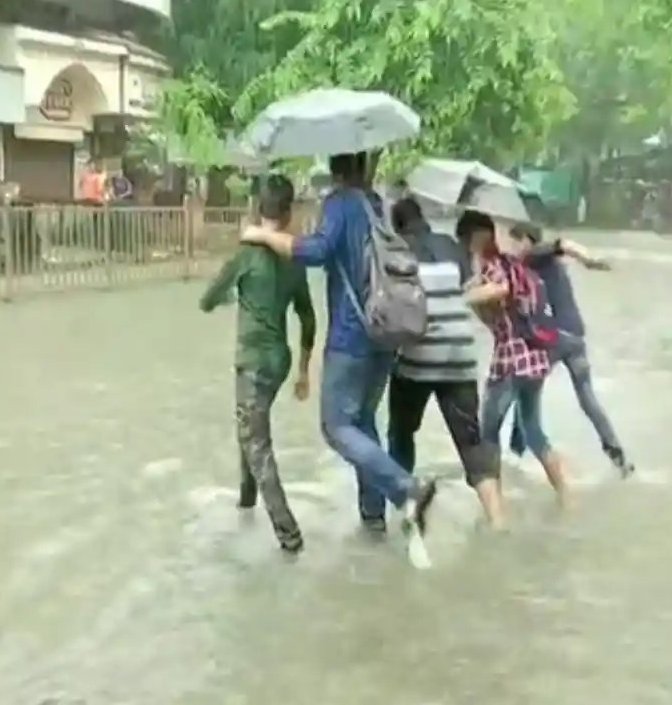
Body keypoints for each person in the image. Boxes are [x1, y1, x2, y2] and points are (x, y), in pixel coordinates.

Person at [240, 153, 438, 559]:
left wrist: (262, 237)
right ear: (366, 164)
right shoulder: (378, 203)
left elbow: (315, 251)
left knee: (336, 427)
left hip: (353, 335)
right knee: (363, 423)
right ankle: (373, 520)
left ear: (335, 168)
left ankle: (408, 489)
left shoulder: (341, 204)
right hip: (387, 332)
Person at [200, 175, 316, 554]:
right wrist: (302, 372)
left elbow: (206, 299)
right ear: (288, 213)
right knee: (249, 428)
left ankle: (289, 535)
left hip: (251, 360)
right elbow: (308, 318)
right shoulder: (293, 262)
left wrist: (233, 295)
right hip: (279, 361)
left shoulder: (245, 256)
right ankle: (246, 500)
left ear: (256, 209)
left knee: (256, 444)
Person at [388, 197, 506, 529]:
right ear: (423, 219)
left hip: (418, 359)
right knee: (471, 444)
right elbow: (469, 291)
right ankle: (499, 522)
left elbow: (395, 310)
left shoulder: (397, 251)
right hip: (460, 356)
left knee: (400, 433)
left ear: (398, 226)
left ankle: (405, 505)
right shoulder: (452, 246)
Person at [456, 210, 570, 507]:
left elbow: (500, 290)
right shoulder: (514, 264)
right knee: (533, 433)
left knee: (487, 436)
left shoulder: (495, 267)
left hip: (511, 362)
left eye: (466, 240)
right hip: (536, 359)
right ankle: (567, 498)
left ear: (477, 237)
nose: (466, 247)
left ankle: (496, 510)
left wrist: (460, 297)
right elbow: (498, 320)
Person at [508, 222, 635, 476]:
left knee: (522, 384)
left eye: (514, 240)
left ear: (525, 239)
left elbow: (563, 244)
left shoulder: (534, 255)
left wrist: (589, 260)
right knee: (588, 399)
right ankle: (618, 455)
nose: (511, 247)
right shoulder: (545, 266)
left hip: (554, 338)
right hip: (576, 337)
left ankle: (518, 450)